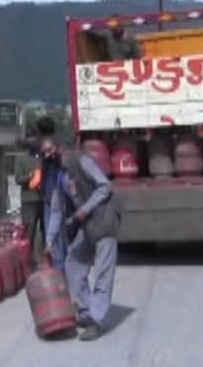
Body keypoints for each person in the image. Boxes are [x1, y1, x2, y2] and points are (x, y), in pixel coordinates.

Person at [41, 136, 123, 341]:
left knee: (103, 272)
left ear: (58, 147)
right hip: (86, 226)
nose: (47, 155)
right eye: (43, 153)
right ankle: (86, 311)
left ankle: (97, 319)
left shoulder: (81, 160)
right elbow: (57, 210)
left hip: (103, 221)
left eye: (50, 149)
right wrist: (49, 241)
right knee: (73, 263)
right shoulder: (60, 175)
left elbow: (105, 186)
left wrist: (85, 209)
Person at [35, 116, 67, 271]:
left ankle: (59, 268)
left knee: (54, 236)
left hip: (52, 194)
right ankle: (61, 266)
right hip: (53, 193)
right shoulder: (58, 144)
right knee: (57, 234)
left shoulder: (50, 147)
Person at [13, 139, 44, 261]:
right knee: (29, 231)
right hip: (29, 199)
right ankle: (26, 259)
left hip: (44, 199)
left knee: (46, 230)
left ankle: (43, 257)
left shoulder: (44, 157)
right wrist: (32, 175)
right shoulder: (21, 159)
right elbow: (18, 179)